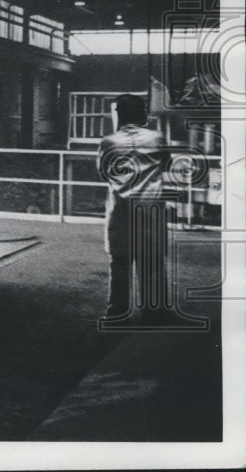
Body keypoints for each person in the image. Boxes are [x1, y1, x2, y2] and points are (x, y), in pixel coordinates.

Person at [97, 94, 171, 322]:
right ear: (142, 114)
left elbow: (102, 172)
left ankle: (117, 312)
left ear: (119, 113)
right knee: (152, 261)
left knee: (119, 262)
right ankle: (154, 312)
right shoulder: (157, 138)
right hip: (150, 210)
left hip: (120, 210)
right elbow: (167, 163)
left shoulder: (108, 141)